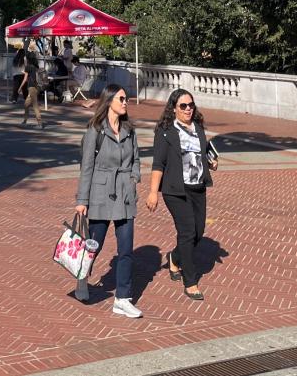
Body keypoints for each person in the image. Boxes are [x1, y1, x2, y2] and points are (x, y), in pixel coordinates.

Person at [74, 85, 142, 317]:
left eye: (126, 99)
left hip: (124, 195)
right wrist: (82, 200)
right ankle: (82, 277)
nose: (125, 102)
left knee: (126, 250)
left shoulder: (129, 130)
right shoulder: (96, 130)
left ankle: (122, 298)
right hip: (100, 193)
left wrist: (134, 178)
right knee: (95, 244)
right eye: (122, 98)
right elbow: (86, 167)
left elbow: (136, 158)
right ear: (109, 100)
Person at [146, 89, 217, 301]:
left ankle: (174, 257)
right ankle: (190, 281)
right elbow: (158, 163)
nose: (188, 109)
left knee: (198, 231)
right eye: (183, 106)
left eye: (191, 105)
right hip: (175, 189)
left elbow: (203, 153)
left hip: (198, 187)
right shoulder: (166, 131)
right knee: (187, 232)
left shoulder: (198, 128)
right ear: (174, 108)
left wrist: (211, 162)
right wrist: (152, 193)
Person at [20, 50, 43, 129]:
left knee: (35, 105)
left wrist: (19, 88)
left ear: (28, 58)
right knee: (26, 104)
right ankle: (25, 121)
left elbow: (25, 79)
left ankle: (39, 123)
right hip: (35, 87)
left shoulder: (28, 67)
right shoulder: (35, 66)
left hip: (32, 87)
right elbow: (32, 75)